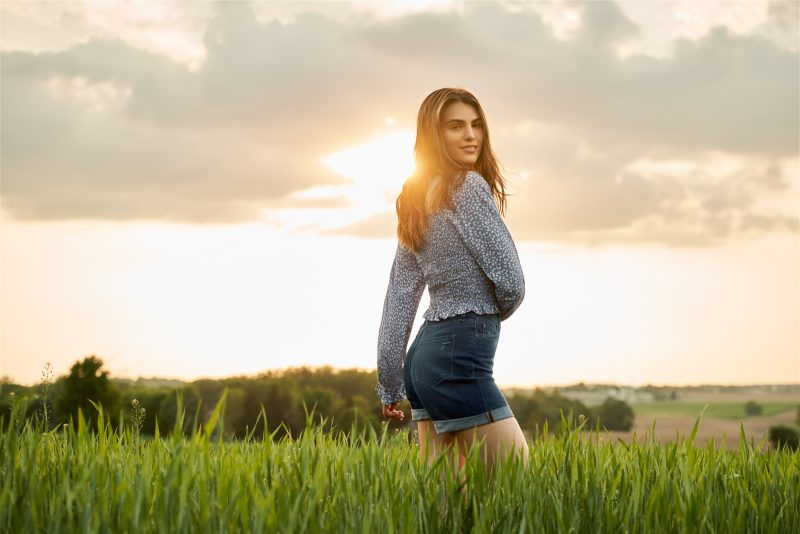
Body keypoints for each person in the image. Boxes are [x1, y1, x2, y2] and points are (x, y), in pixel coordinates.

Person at [375, 87, 529, 485]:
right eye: (456, 126)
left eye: (476, 125)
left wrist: (390, 382)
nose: (470, 136)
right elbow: (510, 280)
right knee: (516, 482)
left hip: (423, 362)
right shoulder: (466, 186)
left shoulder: (414, 198)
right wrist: (490, 313)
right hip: (459, 356)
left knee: (443, 503)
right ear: (433, 135)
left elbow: (399, 296)